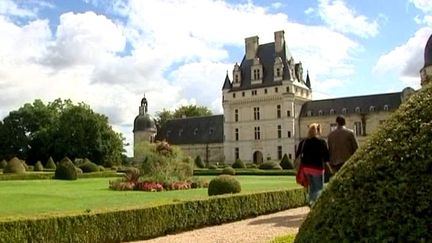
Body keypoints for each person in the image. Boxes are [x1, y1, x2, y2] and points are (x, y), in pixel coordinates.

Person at [295, 123, 330, 206]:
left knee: (311, 188)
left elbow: (297, 155)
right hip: (317, 169)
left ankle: (311, 202)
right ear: (318, 131)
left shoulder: (303, 142)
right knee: (318, 189)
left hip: (306, 169)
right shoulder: (321, 142)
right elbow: (326, 158)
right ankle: (315, 205)